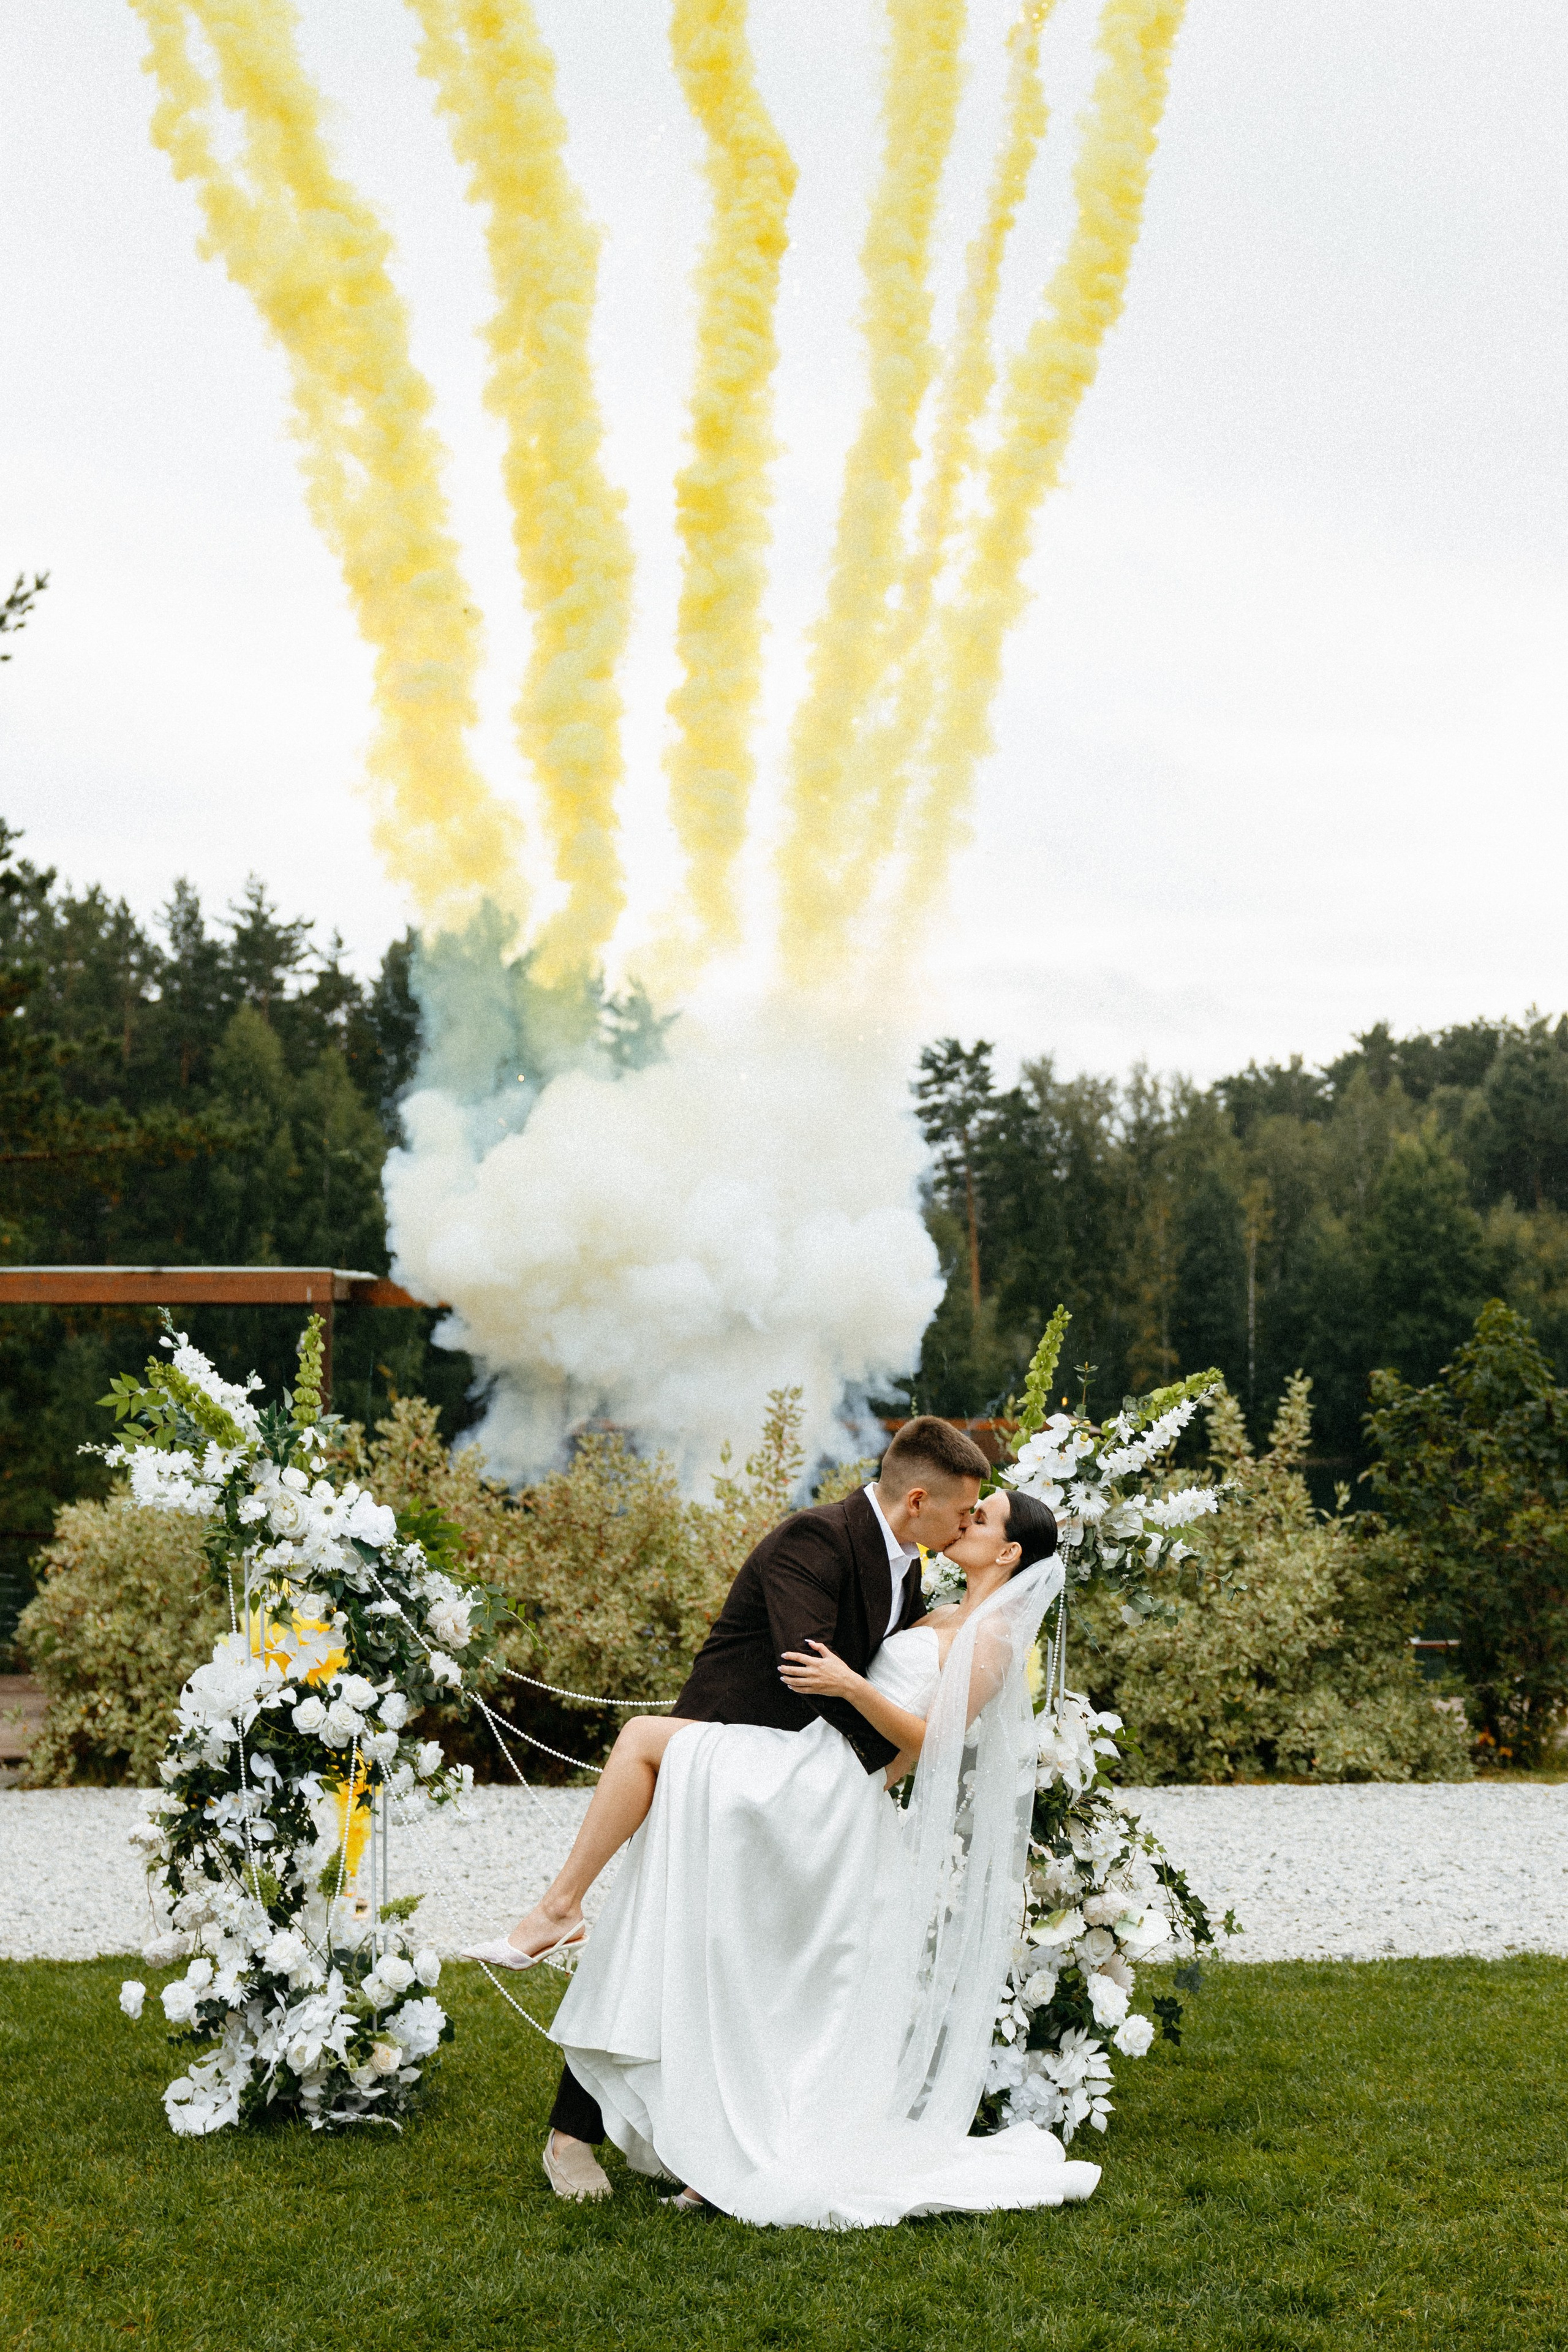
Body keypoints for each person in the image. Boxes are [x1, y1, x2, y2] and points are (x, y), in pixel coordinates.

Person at [544, 1458, 1101, 2227]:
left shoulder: (995, 1638)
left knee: (650, 1751)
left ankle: (562, 1915)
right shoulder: (931, 1609)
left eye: (983, 1519)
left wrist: (850, 1687)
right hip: (811, 1771)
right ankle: (719, 2141)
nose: (966, 1521)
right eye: (967, 1510)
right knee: (761, 1975)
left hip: (835, 1793)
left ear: (1008, 1555)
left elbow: (929, 1747)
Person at [465, 1415, 990, 2199]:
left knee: (736, 1971)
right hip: (734, 1758)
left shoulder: (907, 1572)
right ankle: (569, 2134)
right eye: (961, 1511)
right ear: (918, 1500)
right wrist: (865, 1766)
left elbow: (869, 1690)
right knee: (655, 1943)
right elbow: (802, 1666)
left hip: (794, 1788)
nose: (966, 1523)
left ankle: (709, 2136)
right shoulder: (816, 1539)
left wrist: (854, 1778)